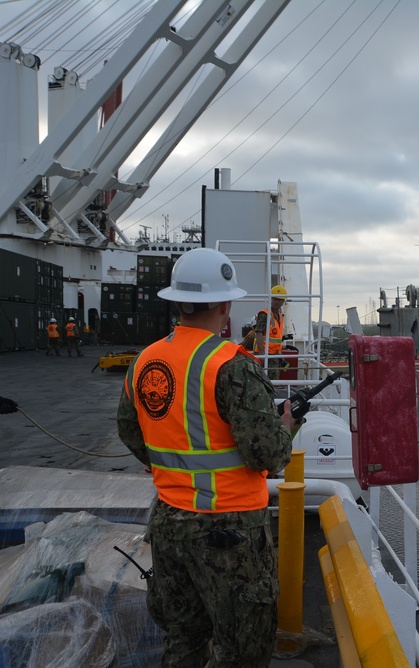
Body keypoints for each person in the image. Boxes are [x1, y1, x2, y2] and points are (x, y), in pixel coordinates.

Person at [116, 248, 295, 667]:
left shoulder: (144, 361)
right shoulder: (230, 366)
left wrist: (167, 463)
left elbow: (130, 430)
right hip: (229, 533)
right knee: (243, 652)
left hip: (168, 526)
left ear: (177, 301)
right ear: (224, 304)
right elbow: (267, 455)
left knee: (184, 640)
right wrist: (284, 428)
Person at [252, 285, 289, 379]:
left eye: (280, 299)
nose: (277, 302)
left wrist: (280, 355)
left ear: (283, 301)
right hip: (265, 355)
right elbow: (258, 333)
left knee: (274, 380)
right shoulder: (265, 314)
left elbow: (276, 338)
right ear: (271, 299)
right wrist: (262, 353)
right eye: (275, 299)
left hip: (274, 354)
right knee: (265, 380)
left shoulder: (280, 315)